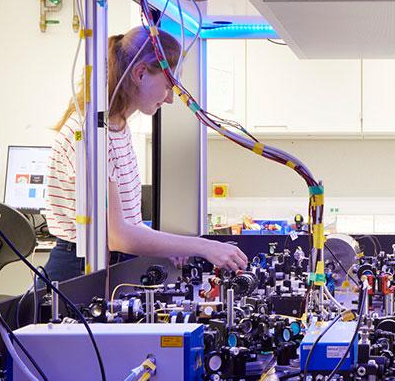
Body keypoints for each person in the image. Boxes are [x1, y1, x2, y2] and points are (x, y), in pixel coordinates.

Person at [43, 26, 247, 282]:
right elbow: (118, 236)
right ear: (140, 73)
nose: (171, 99)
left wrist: (172, 246)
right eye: (167, 86)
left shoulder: (117, 128)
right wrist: (204, 247)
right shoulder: (90, 134)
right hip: (76, 274)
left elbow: (130, 223)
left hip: (108, 267)